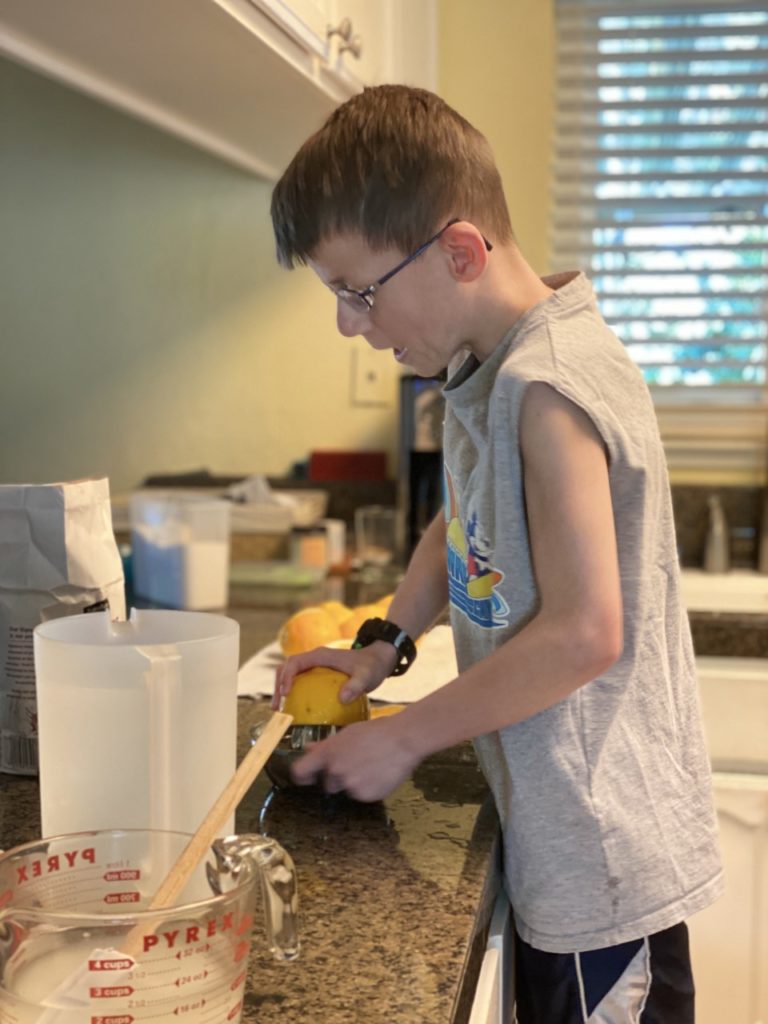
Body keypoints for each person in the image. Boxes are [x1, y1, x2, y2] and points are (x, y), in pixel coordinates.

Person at [269, 85, 723, 1022]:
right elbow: (460, 520)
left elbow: (586, 633)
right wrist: (384, 641)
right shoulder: (488, 367)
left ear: (461, 252)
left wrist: (404, 734)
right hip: (557, 833)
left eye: (358, 292)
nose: (351, 324)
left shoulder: (551, 384)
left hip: (604, 862)